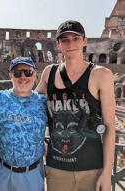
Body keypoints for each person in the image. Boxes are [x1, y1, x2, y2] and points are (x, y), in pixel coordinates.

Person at [36, 20, 115, 191]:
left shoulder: (101, 75)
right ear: (58, 45)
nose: (70, 44)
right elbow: (28, 102)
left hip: (92, 168)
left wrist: (107, 173)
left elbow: (109, 128)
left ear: (84, 41)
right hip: (57, 169)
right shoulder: (49, 73)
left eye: (75, 38)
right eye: (65, 40)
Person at [0, 56, 47, 191]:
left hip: (32, 173)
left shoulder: (44, 103)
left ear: (35, 75)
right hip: (2, 170)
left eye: (28, 72)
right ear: (11, 76)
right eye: (17, 73)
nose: (23, 77)